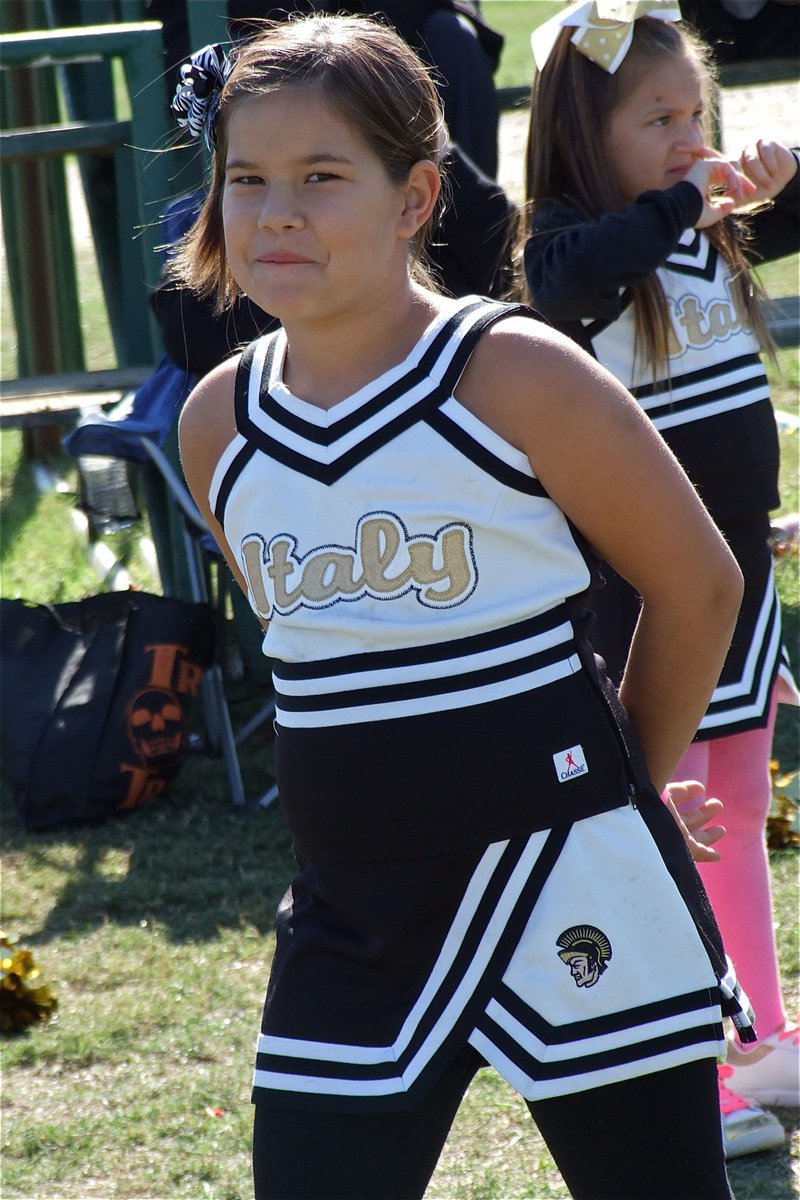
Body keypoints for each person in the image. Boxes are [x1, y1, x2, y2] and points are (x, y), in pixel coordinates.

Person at [171, 15, 752, 1198]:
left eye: (322, 177)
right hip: (351, 913)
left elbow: (697, 582)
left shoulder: (513, 372)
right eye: (248, 180)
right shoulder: (216, 426)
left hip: (567, 878)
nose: (277, 212)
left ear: (413, 195)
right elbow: (317, 657)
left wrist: (623, 784)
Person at [523, 0, 800, 1161]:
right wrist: (685, 196)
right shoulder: (571, 246)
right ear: (585, 135)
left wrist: (774, 177)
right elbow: (571, 276)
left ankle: (762, 1040)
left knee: (739, 808)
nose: (690, 138)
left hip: (737, 574)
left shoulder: (702, 231)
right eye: (657, 119)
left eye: (698, 114)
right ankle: (693, 1063)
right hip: (645, 591)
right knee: (666, 824)